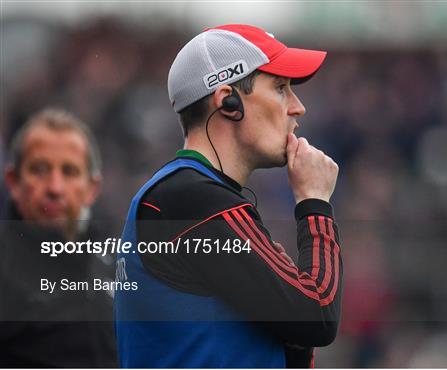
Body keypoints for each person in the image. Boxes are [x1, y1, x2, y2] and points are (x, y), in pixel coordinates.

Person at [114, 24, 342, 368]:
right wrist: (315, 203)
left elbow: (290, 342)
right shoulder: (192, 200)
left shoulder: (186, 196)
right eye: (281, 88)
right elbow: (317, 314)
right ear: (229, 102)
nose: (298, 108)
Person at [0, 108, 118, 367]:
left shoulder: (115, 261)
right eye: (39, 170)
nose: (55, 187)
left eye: (70, 172)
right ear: (13, 182)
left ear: (92, 188)